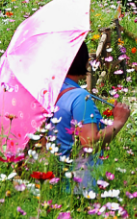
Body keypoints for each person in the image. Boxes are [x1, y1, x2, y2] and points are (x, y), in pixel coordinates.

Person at [48, 41, 131, 193]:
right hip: (79, 185)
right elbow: (89, 141)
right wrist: (118, 121)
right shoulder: (79, 97)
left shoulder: (49, 94)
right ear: (82, 61)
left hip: (53, 182)